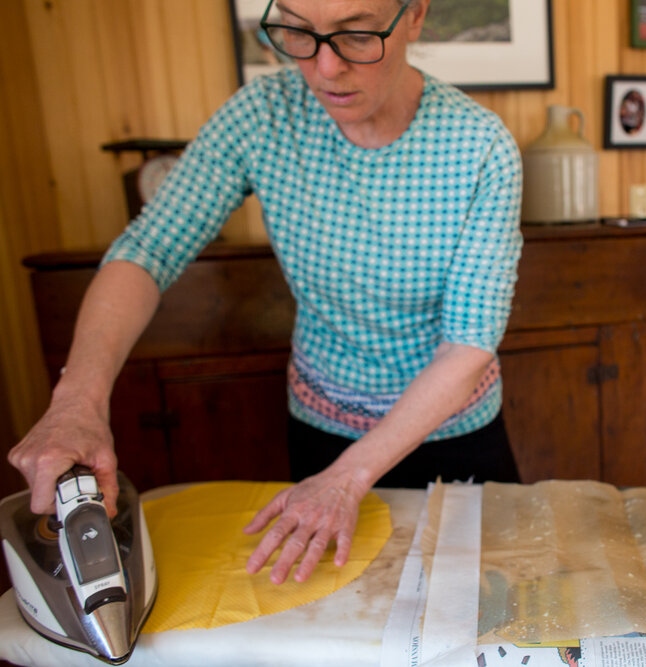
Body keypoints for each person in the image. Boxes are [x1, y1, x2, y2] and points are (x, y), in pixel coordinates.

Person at [8, 0, 523, 586]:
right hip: (323, 425)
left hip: (452, 434)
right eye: (299, 33)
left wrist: (348, 480)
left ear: (414, 15)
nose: (325, 68)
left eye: (355, 35)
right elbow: (147, 251)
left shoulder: (480, 147)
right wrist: (77, 402)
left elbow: (469, 344)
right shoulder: (262, 115)